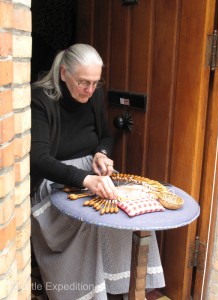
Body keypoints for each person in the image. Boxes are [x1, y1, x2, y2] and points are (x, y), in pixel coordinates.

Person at [30, 43, 165, 300]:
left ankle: (131, 288)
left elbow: (104, 135)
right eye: (83, 82)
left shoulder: (94, 95)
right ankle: (88, 294)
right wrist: (84, 179)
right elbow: (39, 159)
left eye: (95, 82)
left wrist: (101, 153)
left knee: (131, 210)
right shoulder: (41, 101)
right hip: (54, 182)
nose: (90, 90)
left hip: (92, 176)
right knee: (91, 221)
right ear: (63, 74)